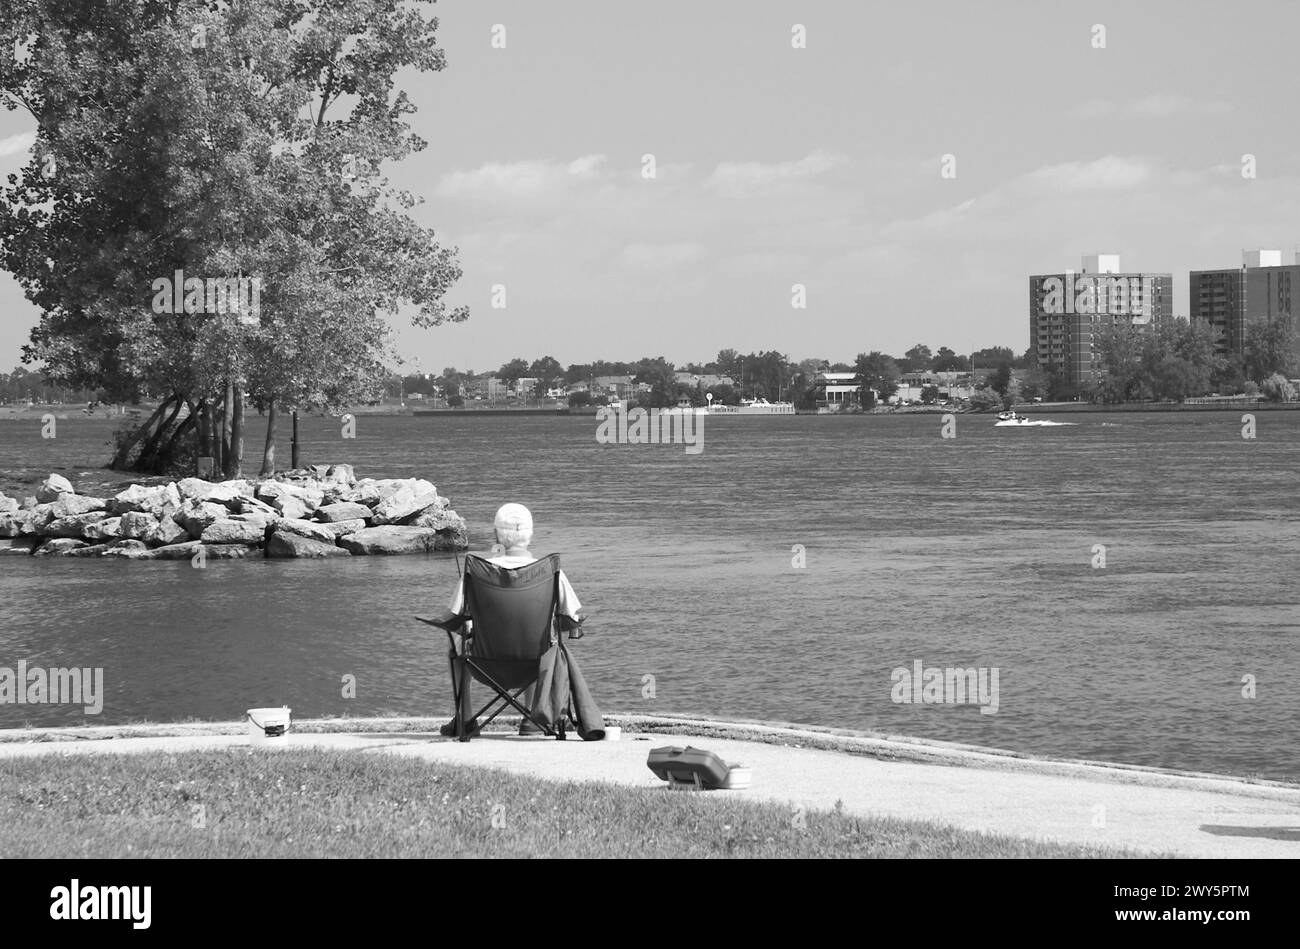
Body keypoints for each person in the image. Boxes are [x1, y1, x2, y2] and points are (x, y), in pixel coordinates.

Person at [440, 503, 583, 737]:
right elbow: (573, 618)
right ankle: (532, 718)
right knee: (545, 638)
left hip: (483, 664)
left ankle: (465, 719)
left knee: (455, 643)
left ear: (496, 535)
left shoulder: (477, 572)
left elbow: (452, 618)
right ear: (531, 534)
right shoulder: (549, 572)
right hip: (533, 666)